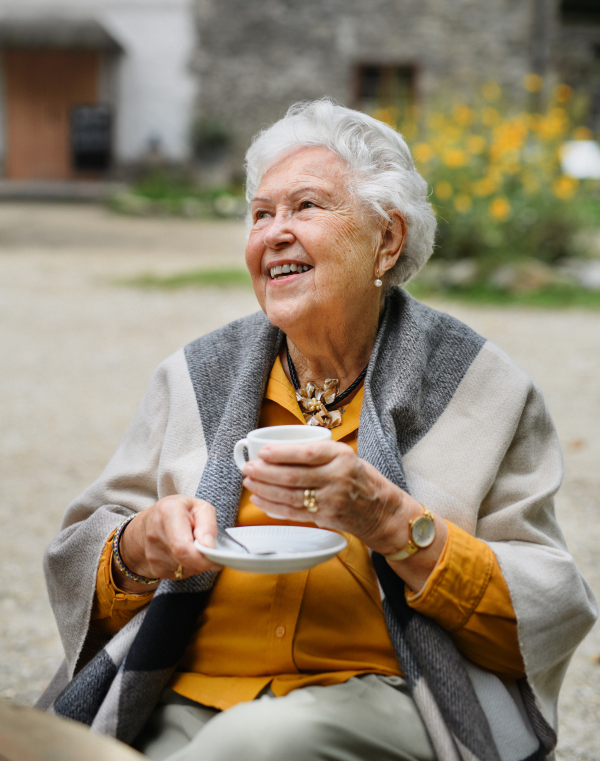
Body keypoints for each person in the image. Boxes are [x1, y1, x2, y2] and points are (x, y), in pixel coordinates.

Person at [42, 99, 596, 761]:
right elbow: (79, 559)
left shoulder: (480, 387)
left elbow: (547, 609)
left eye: (305, 207)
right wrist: (138, 547)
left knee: (256, 742)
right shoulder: (194, 378)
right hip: (188, 689)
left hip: (393, 693)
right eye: (260, 214)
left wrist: (394, 523)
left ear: (386, 240)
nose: (275, 232)